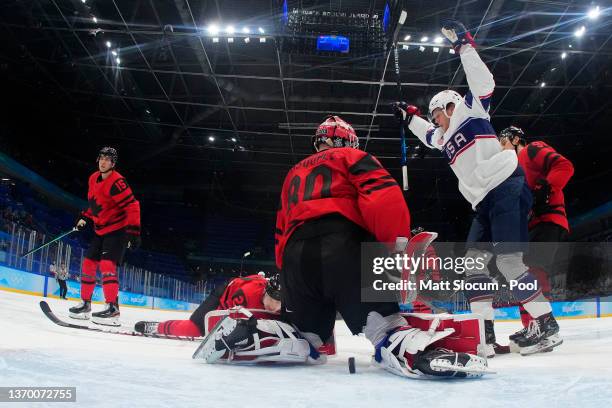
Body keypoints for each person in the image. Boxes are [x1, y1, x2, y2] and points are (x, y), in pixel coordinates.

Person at [196, 114, 488, 378]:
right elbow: (384, 198)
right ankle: (414, 351)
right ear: (349, 140)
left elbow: (281, 228)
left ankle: (261, 333)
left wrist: (287, 276)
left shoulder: (293, 172)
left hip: (295, 261)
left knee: (307, 338)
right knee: (384, 327)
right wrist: (395, 249)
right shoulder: (354, 156)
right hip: (345, 248)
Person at [391, 21, 561, 356]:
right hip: (483, 201)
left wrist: (464, 46)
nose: (435, 119)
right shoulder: (442, 136)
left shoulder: (471, 110)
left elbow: (483, 82)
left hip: (505, 186)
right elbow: (427, 134)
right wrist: (409, 117)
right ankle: (484, 333)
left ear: (447, 107)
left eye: (435, 113)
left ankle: (546, 325)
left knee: (510, 263)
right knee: (473, 266)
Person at [499, 126, 574, 345]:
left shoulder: (531, 149)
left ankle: (542, 326)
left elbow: (564, 165)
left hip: (548, 220)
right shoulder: (514, 169)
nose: (501, 149)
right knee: (524, 273)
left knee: (533, 270)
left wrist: (546, 187)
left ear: (514, 139)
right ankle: (532, 325)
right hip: (533, 226)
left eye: (502, 143)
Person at [68, 147, 141, 326]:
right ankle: (85, 304)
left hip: (118, 231)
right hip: (100, 230)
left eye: (108, 159)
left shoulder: (118, 183)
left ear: (113, 164)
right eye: (101, 158)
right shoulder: (93, 178)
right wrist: (85, 216)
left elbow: (132, 206)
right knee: (88, 264)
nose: (103, 162)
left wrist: (133, 233)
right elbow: (96, 204)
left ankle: (112, 309)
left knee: (107, 265)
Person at [134, 274, 281, 337]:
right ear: (266, 292)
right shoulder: (245, 294)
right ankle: (156, 327)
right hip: (223, 295)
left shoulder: (284, 305)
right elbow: (221, 327)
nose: (276, 308)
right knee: (194, 329)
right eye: (274, 300)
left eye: (281, 304)